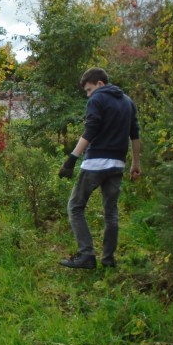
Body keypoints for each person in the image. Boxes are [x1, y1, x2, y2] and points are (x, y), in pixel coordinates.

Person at [58, 68, 141, 269]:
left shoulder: (97, 99)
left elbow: (91, 129)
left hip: (95, 163)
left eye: (88, 89)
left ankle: (86, 254)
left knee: (75, 206)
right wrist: (136, 163)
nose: (88, 94)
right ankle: (108, 259)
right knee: (111, 212)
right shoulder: (128, 102)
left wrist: (71, 159)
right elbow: (135, 134)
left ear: (100, 84)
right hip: (118, 164)